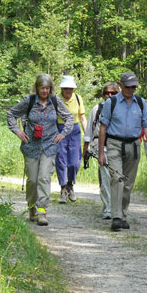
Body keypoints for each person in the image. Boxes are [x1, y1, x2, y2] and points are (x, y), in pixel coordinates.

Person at [7, 74, 74, 226]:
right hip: (31, 146)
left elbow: (69, 118)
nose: (45, 91)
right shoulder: (29, 101)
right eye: (42, 88)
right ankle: (31, 206)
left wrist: (63, 134)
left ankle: (42, 211)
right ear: (37, 88)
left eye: (47, 88)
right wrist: (18, 131)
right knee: (32, 180)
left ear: (51, 89)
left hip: (49, 146)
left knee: (44, 178)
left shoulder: (55, 102)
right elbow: (11, 114)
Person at [98, 72, 147, 231]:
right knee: (117, 179)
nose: (131, 89)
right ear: (121, 85)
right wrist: (101, 152)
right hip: (115, 144)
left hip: (134, 146)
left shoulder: (141, 102)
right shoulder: (112, 103)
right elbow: (103, 127)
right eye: (128, 86)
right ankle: (116, 216)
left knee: (128, 184)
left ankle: (123, 214)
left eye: (134, 86)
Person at [83, 81, 121, 219]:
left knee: (117, 179)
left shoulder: (123, 109)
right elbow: (89, 131)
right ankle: (108, 208)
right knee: (105, 179)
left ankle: (117, 207)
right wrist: (85, 150)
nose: (109, 95)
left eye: (113, 93)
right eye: (107, 93)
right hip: (101, 147)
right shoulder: (97, 109)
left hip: (118, 147)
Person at [56, 75, 87, 203]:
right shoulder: (56, 99)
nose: (68, 91)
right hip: (60, 129)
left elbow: (82, 118)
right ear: (62, 89)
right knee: (61, 160)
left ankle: (70, 185)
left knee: (74, 162)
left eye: (70, 88)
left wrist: (88, 135)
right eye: (66, 88)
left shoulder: (78, 99)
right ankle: (63, 188)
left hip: (74, 130)